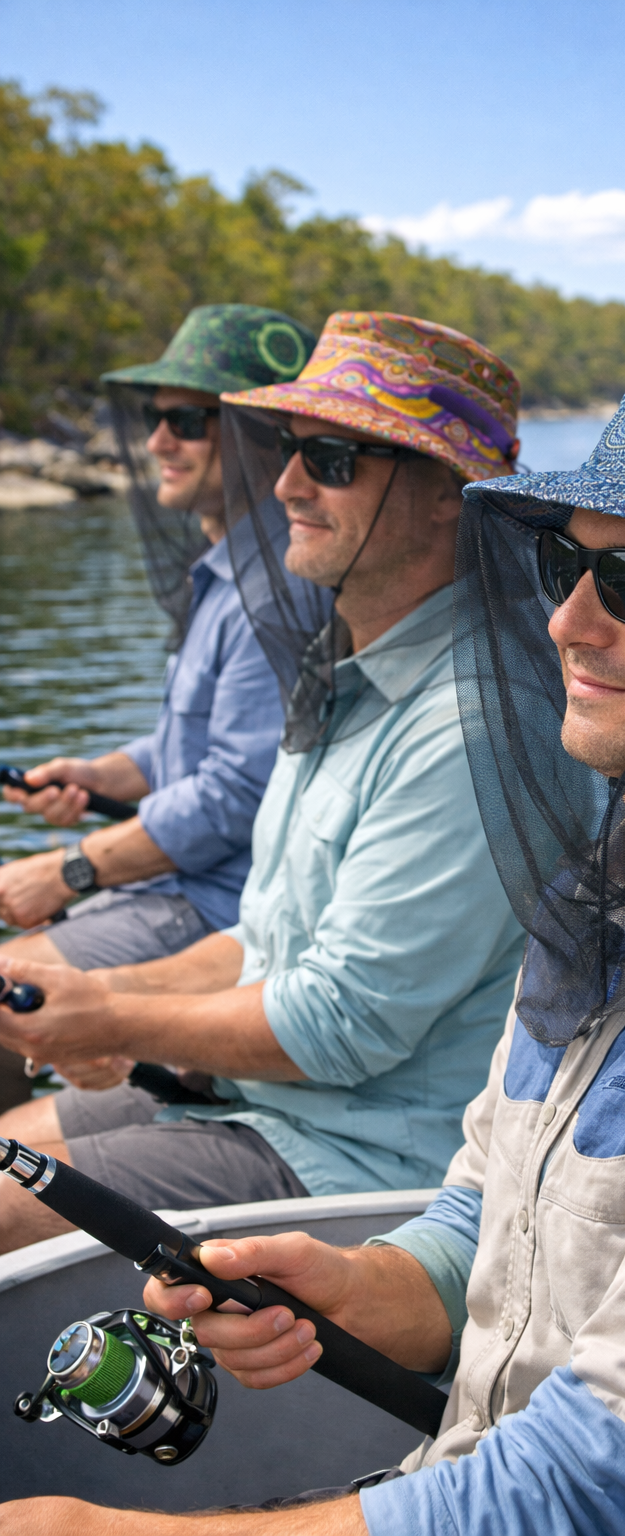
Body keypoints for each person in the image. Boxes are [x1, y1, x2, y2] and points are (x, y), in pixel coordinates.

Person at [10, 365, 625, 1536]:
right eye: (563, 567)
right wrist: (367, 1283)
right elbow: (489, 1221)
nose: (567, 623)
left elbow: (605, 1494)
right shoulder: (607, 905)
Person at [0, 313, 526, 1252]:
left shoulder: (467, 727)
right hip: (260, 1101)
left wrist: (113, 1013)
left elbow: (341, 1024)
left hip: (362, 1164)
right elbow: (266, 936)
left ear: (448, 493)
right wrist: (101, 1006)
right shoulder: (342, 681)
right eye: (289, 449)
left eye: (332, 459)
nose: (285, 484)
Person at [0, 305, 316, 1102]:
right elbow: (199, 742)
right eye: (155, 418)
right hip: (171, 887)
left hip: (211, 907)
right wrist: (96, 774)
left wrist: (69, 869)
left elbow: (236, 793)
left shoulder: (274, 591)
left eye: (188, 421)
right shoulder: (229, 570)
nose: (157, 443)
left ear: (263, 437)